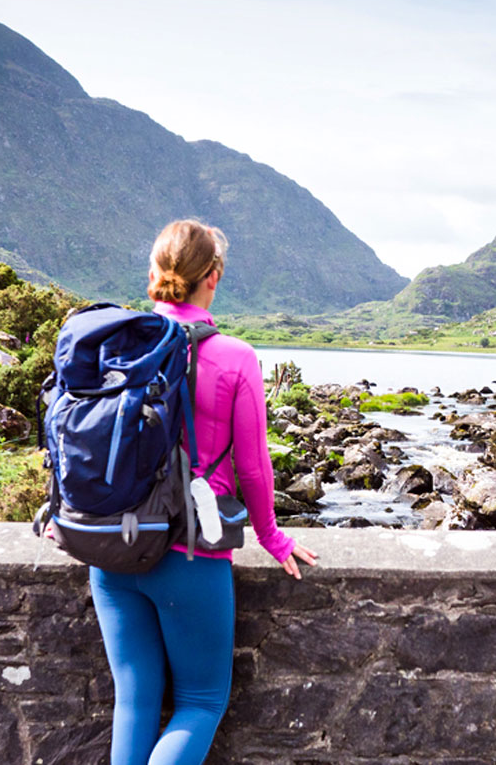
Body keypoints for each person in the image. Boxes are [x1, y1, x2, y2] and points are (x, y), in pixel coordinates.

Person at [89, 218, 318, 765]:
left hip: (109, 547)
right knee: (199, 701)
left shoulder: (116, 345)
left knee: (135, 700)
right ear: (212, 278)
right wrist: (272, 538)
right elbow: (254, 467)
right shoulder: (234, 357)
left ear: (153, 274)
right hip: (190, 552)